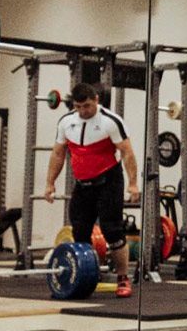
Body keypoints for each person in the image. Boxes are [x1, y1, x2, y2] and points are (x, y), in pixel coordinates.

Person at [44, 84, 139, 298]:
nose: (83, 111)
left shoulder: (111, 121)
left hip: (109, 182)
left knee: (112, 230)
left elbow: (127, 153)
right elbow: (58, 154)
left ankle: (123, 278)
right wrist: (50, 183)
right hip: (82, 184)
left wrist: (133, 184)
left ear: (96, 99)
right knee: (80, 232)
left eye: (87, 106)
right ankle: (85, 276)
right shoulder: (66, 122)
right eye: (78, 107)